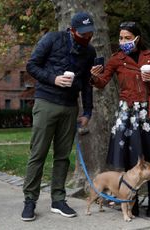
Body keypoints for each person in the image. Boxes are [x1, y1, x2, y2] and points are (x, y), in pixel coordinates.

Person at [90, 21, 150, 217]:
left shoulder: (149, 56)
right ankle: (131, 203)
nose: (123, 41)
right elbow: (102, 83)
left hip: (148, 111)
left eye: (127, 38)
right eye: (120, 38)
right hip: (127, 113)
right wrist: (93, 77)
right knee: (130, 158)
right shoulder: (116, 59)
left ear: (137, 38)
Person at [21, 12, 96, 221]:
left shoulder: (90, 51)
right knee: (38, 153)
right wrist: (54, 79)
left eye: (90, 33)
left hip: (70, 107)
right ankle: (29, 201)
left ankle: (58, 200)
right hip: (46, 102)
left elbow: (88, 84)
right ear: (72, 30)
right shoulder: (52, 39)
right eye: (83, 34)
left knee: (62, 157)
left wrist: (87, 112)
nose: (87, 37)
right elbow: (32, 66)